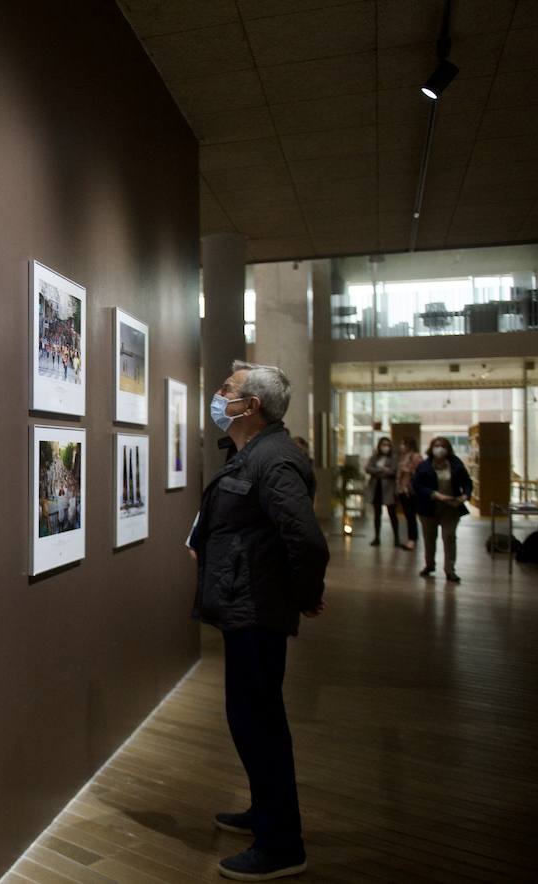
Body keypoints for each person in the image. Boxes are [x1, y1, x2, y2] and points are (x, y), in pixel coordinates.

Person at [193, 361, 328, 881]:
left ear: (251, 406)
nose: (218, 394)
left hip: (258, 611)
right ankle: (264, 812)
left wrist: (305, 595)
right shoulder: (251, 453)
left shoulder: (275, 460)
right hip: (245, 606)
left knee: (259, 723)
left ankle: (282, 843)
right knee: (249, 720)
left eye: (227, 389)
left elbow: (307, 541)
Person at [412, 437, 472, 583]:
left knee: (449, 537)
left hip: (451, 507)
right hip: (428, 508)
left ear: (448, 449)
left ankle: (450, 569)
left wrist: (465, 495)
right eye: (436, 446)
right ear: (431, 449)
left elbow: (467, 482)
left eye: (443, 446)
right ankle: (429, 565)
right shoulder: (424, 466)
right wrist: (435, 495)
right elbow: (417, 485)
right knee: (429, 538)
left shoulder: (456, 465)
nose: (439, 449)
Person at [364, 437, 399, 547]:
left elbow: (393, 471)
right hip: (376, 488)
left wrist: (379, 471)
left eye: (387, 445)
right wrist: (382, 469)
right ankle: (377, 538)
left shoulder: (393, 458)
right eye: (383, 444)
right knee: (377, 514)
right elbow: (368, 468)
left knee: (392, 513)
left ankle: (396, 539)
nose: (385, 447)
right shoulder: (374, 457)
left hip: (389, 488)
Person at [395, 437, 423, 551]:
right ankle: (411, 538)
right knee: (408, 515)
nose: (401, 447)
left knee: (411, 515)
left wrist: (408, 471)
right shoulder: (402, 457)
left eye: (403, 444)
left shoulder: (415, 456)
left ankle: (412, 539)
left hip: (411, 490)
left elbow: (421, 471)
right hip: (402, 490)